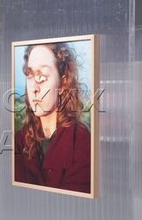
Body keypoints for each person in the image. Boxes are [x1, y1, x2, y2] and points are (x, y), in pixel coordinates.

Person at [13, 42, 92, 194]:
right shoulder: (19, 141)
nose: (34, 88)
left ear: (62, 84)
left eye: (42, 77)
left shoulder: (81, 142)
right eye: (30, 75)